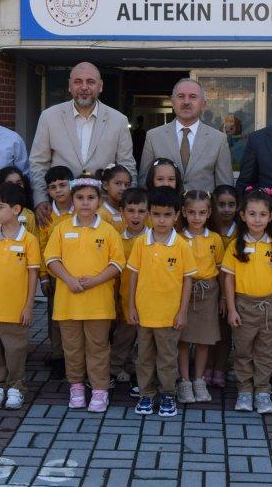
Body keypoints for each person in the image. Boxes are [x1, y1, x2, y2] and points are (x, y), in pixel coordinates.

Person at [44, 175, 126, 413]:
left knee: (98, 347)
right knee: (72, 348)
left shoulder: (109, 231)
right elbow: (51, 259)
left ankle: (99, 390)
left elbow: (117, 263)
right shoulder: (61, 229)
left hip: (98, 304)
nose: (85, 203)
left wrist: (95, 281)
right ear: (73, 200)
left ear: (99, 201)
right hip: (68, 303)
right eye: (80, 198)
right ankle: (77, 386)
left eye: (91, 198)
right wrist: (68, 279)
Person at [30, 62, 136, 226]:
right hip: (59, 210)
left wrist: (129, 203)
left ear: (100, 86)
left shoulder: (119, 120)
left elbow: (127, 165)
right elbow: (38, 163)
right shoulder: (49, 117)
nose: (84, 87)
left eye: (90, 82)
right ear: (70, 86)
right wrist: (40, 199)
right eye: (78, 81)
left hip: (103, 211)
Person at [128, 188, 197, 417]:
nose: (161, 220)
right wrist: (131, 306)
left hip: (169, 315)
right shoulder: (140, 243)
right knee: (144, 357)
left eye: (167, 215)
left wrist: (183, 312)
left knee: (167, 358)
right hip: (144, 313)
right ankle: (146, 394)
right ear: (149, 214)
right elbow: (134, 276)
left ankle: (167, 394)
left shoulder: (182, 246)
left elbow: (188, 281)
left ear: (177, 215)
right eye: (156, 214)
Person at [222, 189, 272, 414]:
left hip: (270, 307)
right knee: (243, 350)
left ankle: (262, 391)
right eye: (252, 214)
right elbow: (229, 280)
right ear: (242, 215)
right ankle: (244, 391)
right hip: (243, 305)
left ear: (271, 216)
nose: (257, 219)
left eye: (262, 214)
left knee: (267, 351)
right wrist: (231, 309)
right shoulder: (235, 246)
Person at [0, 183, 41, 411]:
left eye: (0, 207)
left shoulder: (29, 241)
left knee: (15, 350)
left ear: (16, 209)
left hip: (15, 309)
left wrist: (29, 305)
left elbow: (33, 274)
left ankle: (15, 387)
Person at [138, 79, 233, 192]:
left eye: (193, 96)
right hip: (165, 208)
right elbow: (144, 182)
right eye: (181, 96)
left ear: (203, 104)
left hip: (202, 208)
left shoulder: (218, 139)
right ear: (172, 102)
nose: (186, 102)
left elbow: (225, 188)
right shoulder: (154, 136)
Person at [176, 190, 224, 405]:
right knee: (183, 339)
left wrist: (223, 297)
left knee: (204, 339)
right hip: (183, 291)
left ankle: (199, 379)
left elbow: (222, 269)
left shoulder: (214, 238)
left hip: (209, 292)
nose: (197, 217)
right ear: (184, 213)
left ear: (209, 213)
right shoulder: (177, 238)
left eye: (202, 213)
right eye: (192, 212)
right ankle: (185, 381)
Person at [38, 165, 75, 380]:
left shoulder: (81, 210)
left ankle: (77, 358)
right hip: (55, 277)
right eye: (53, 187)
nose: (59, 191)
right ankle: (58, 357)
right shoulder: (46, 215)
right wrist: (43, 276)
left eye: (63, 185)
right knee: (55, 319)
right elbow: (43, 246)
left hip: (79, 274)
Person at [111, 187, 148, 393]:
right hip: (125, 300)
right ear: (122, 212)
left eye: (141, 211)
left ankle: (138, 373)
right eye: (131, 210)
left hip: (149, 303)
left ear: (148, 213)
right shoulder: (117, 239)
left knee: (144, 342)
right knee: (123, 338)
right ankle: (114, 369)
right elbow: (114, 274)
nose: (136, 216)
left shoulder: (152, 238)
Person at [206, 184, 239, 388]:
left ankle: (220, 367)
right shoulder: (207, 229)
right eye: (221, 205)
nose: (226, 209)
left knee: (226, 331)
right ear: (213, 206)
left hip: (233, 288)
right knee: (210, 330)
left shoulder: (242, 229)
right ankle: (207, 367)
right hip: (210, 287)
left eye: (231, 204)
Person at [98, 164, 132, 233]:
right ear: (105, 185)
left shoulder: (131, 210)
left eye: (126, 185)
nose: (123, 188)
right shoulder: (101, 214)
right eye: (118, 183)